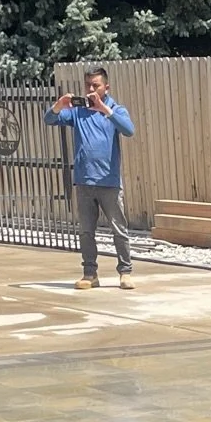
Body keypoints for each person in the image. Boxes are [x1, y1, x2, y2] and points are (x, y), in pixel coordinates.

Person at [44, 67, 137, 289]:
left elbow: (129, 130)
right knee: (86, 231)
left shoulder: (115, 110)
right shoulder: (78, 112)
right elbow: (49, 119)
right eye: (88, 85)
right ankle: (90, 274)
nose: (91, 89)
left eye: (96, 85)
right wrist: (59, 105)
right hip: (84, 181)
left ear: (106, 87)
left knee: (119, 229)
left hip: (109, 182)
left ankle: (125, 272)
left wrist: (105, 109)